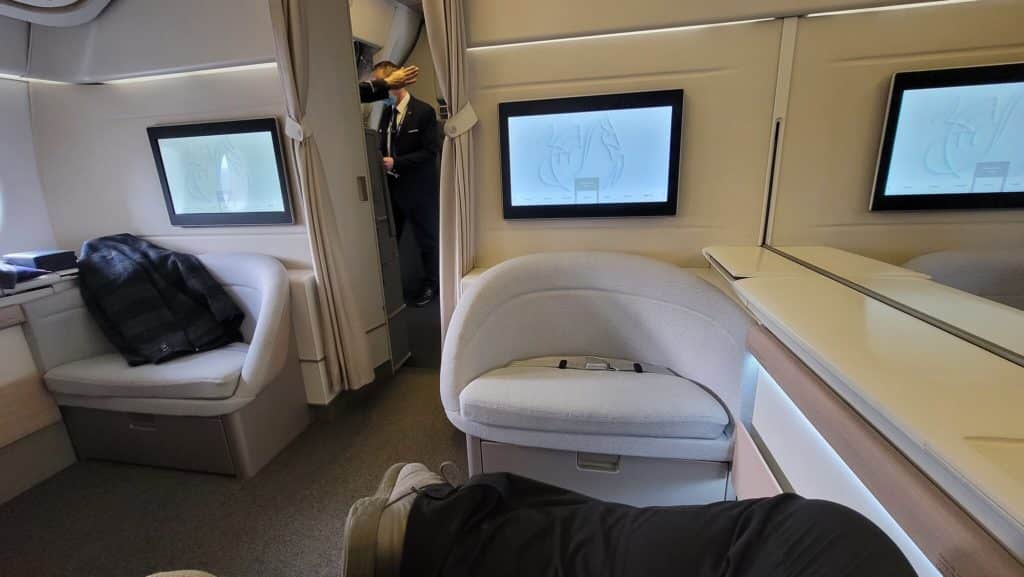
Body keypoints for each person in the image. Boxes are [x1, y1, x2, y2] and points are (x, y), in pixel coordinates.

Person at [342, 463, 918, 577]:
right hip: (800, 550)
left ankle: (442, 517)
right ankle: (436, 521)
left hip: (800, 544)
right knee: (603, 540)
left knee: (601, 537)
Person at [372, 60, 440, 307]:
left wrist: (396, 163)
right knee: (390, 241)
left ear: (396, 83)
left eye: (383, 84)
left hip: (420, 190)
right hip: (393, 190)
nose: (380, 91)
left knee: (428, 241)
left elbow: (431, 152)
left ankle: (433, 285)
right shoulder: (387, 114)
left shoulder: (424, 112)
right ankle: (388, 288)